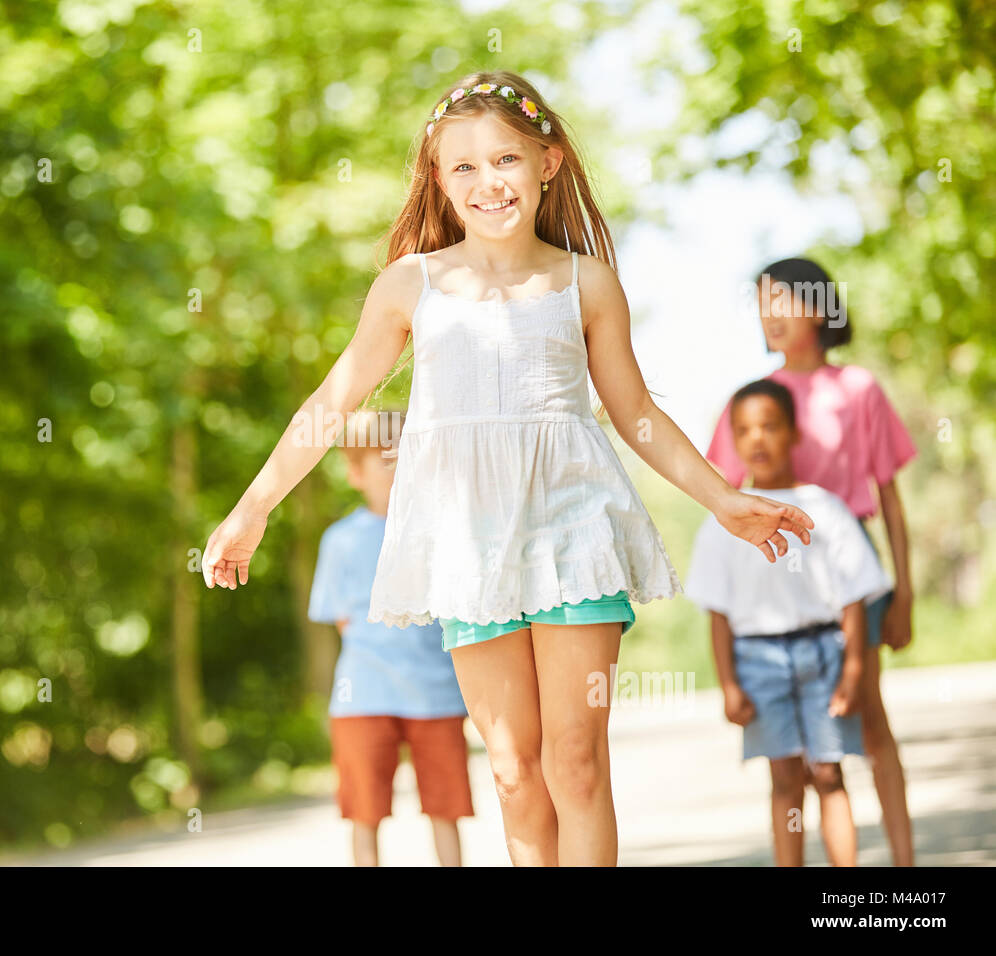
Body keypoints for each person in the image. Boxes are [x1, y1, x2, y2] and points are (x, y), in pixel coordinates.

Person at [201, 70, 814, 866]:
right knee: (516, 773)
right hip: (466, 547)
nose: (488, 182)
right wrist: (253, 508)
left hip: (574, 530)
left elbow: (634, 414)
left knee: (576, 764)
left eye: (506, 160)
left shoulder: (585, 284)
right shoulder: (409, 286)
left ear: (546, 162)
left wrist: (726, 500)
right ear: (437, 177)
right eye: (464, 167)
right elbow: (330, 402)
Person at [705, 256, 918, 865]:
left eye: (781, 302)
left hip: (853, 578)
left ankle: (905, 868)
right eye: (761, 305)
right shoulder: (755, 402)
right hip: (777, 580)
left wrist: (902, 594)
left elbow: (890, 500)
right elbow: (725, 495)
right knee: (798, 758)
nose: (769, 316)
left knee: (870, 722)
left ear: (818, 305)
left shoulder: (857, 390)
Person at [687, 380, 891, 866]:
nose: (758, 439)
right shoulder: (723, 521)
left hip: (823, 655)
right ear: (734, 441)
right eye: (744, 430)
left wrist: (854, 671)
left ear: (794, 434)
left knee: (828, 774)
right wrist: (729, 685)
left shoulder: (823, 508)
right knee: (783, 779)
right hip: (758, 661)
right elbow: (717, 615)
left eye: (770, 426)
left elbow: (853, 598)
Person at [307, 409, 474, 866]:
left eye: (407, 456)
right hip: (364, 695)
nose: (399, 467)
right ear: (354, 471)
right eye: (385, 459)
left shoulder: (442, 533)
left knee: (446, 807)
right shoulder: (339, 541)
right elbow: (342, 619)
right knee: (364, 812)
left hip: (436, 694)